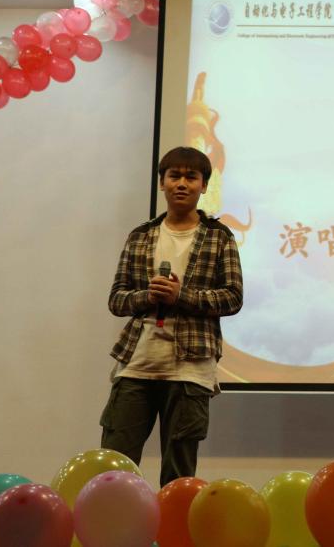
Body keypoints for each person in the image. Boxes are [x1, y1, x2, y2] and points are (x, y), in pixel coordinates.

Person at [100, 146, 243, 486]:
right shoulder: (141, 235)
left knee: (178, 475)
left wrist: (182, 296)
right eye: (174, 176)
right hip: (137, 364)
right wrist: (146, 296)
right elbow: (117, 300)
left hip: (190, 369)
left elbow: (233, 297)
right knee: (114, 466)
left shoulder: (219, 237)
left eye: (191, 177)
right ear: (161, 182)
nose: (182, 183)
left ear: (204, 186)